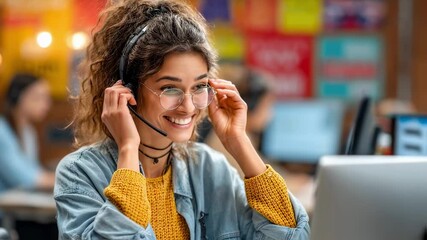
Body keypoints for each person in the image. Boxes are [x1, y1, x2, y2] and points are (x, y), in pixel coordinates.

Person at [54, 0, 310, 239]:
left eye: (199, 87)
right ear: (127, 90)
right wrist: (128, 148)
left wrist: (238, 141)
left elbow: (291, 234)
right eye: (170, 89)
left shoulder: (210, 168)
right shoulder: (80, 172)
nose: (188, 106)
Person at [0, 73, 55, 192]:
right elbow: (25, 178)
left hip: (17, 204)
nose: (46, 104)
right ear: (18, 97)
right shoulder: (2, 131)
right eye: (38, 97)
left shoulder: (29, 132)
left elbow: (33, 170)